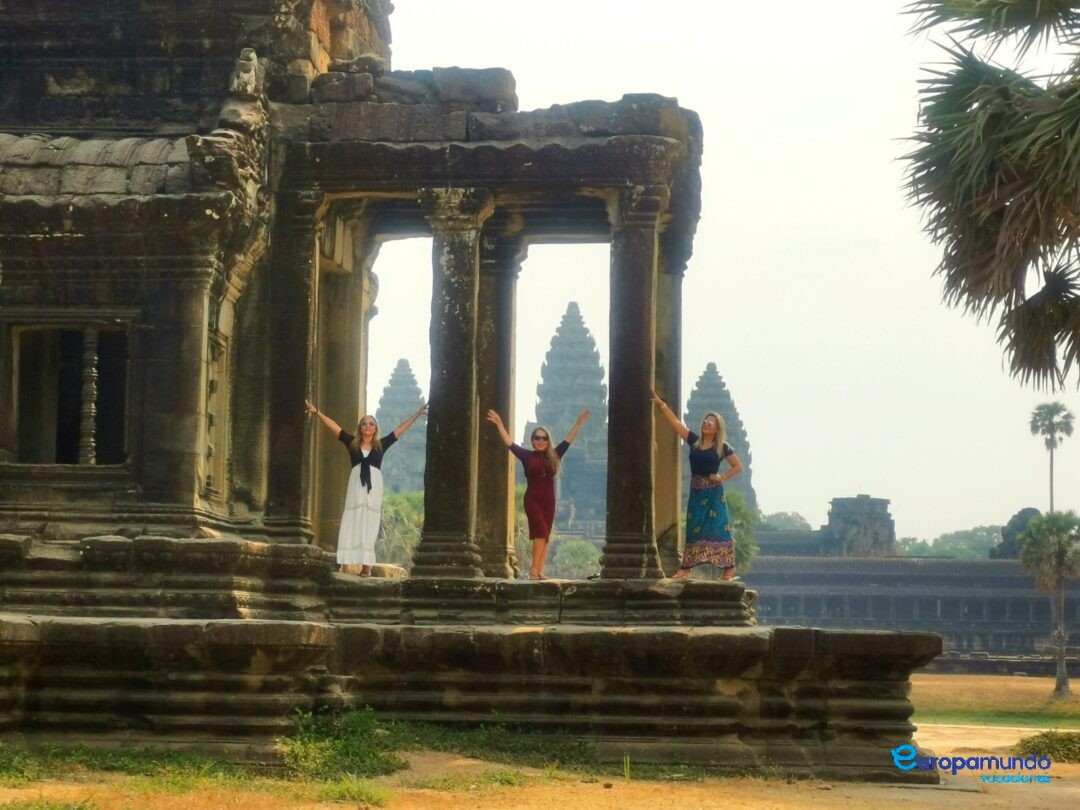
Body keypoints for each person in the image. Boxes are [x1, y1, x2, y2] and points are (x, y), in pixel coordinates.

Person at [305, 400, 427, 576]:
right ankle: (343, 559)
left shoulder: (380, 445)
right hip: (356, 484)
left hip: (374, 486)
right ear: (360, 428)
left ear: (375, 428)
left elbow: (399, 431)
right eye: (364, 424)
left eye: (371, 423)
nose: (367, 426)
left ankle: (367, 565)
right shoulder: (352, 443)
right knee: (352, 517)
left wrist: (416, 414)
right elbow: (335, 427)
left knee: (369, 521)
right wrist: (316, 412)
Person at [486, 408, 590, 580]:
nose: (541, 441)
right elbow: (510, 444)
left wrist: (578, 423)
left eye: (544, 438)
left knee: (545, 536)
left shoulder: (554, 456)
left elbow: (568, 441)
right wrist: (499, 424)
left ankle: (539, 570)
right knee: (540, 533)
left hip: (549, 501)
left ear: (548, 441)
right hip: (533, 500)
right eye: (537, 438)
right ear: (532, 441)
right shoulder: (527, 456)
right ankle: (533, 571)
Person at [651, 389, 744, 581]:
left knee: (718, 528)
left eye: (710, 422)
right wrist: (661, 405)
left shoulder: (722, 447)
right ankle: (686, 568)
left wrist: (722, 477)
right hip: (696, 490)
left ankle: (728, 568)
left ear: (717, 429)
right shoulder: (694, 441)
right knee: (694, 528)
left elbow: (738, 466)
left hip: (713, 493)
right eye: (705, 420)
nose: (706, 423)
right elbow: (676, 424)